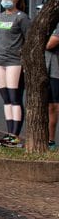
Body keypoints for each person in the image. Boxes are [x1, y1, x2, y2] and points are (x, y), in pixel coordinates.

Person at [0, 0, 32, 146]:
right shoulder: (0, 16)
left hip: (14, 61)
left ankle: (15, 135)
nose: (5, 1)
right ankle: (9, 133)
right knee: (6, 99)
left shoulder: (22, 17)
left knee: (15, 98)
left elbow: (29, 39)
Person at [47, 22, 59, 150]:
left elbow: (50, 44)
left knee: (54, 107)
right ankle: (49, 140)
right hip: (44, 69)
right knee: (48, 106)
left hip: (55, 71)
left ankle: (51, 140)